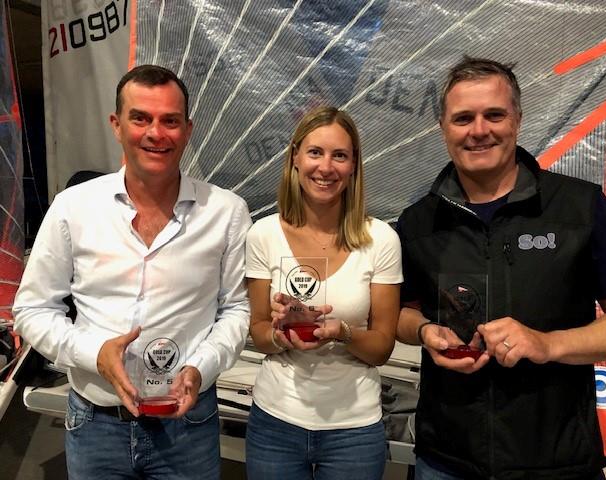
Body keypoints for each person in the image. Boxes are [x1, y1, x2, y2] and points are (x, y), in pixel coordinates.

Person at [395, 56, 606, 480]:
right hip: (447, 462)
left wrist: (547, 345)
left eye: (494, 114)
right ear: (443, 128)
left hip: (559, 463)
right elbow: (399, 312)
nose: (479, 130)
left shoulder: (580, 207)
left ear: (518, 120)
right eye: (463, 118)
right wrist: (421, 331)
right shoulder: (417, 223)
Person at [12, 64, 252, 480]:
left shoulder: (227, 212)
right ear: (116, 125)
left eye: (170, 121)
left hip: (187, 427)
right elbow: (32, 310)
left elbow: (236, 311)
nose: (155, 133)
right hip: (95, 424)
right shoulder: (74, 207)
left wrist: (202, 367)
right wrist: (95, 355)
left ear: (188, 129)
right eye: (140, 118)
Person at [244, 106, 402, 480]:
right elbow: (259, 333)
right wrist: (281, 333)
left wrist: (342, 333)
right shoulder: (263, 235)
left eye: (340, 155)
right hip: (275, 422)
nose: (326, 167)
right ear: (295, 157)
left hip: (355, 429)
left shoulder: (380, 239)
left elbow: (381, 348)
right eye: (315, 152)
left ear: (353, 165)